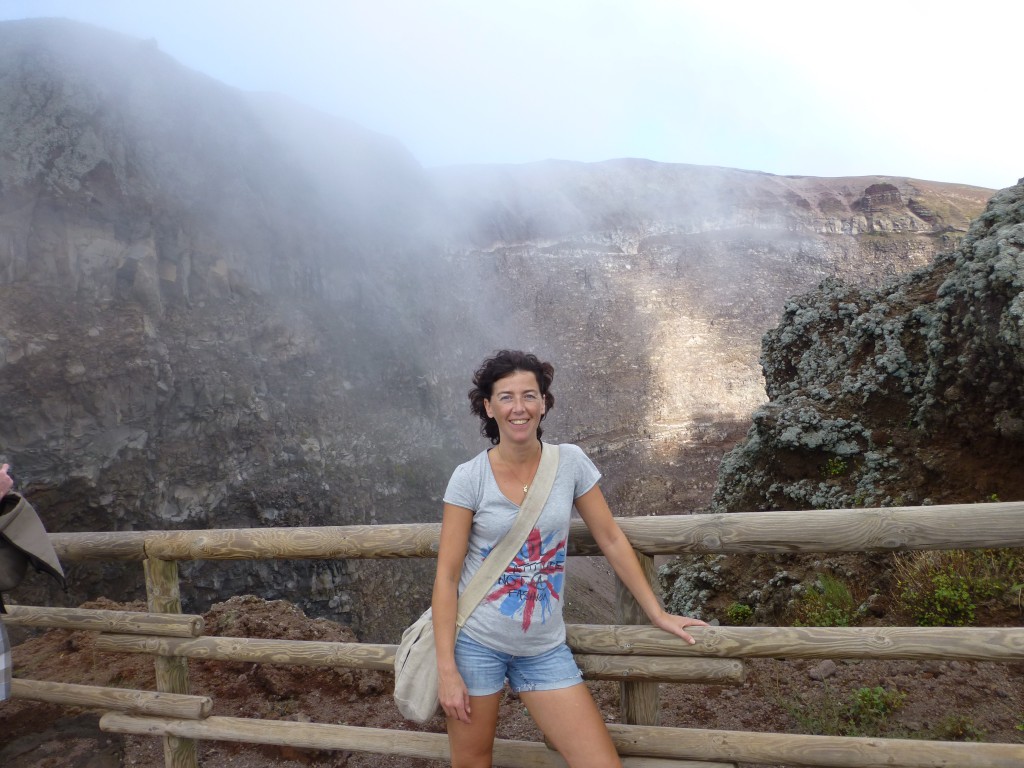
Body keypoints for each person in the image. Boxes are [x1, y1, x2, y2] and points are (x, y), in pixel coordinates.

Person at [432, 350, 707, 768]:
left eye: (530, 395)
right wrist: (447, 669)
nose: (519, 408)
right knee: (472, 762)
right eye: (506, 397)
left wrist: (657, 612)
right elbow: (447, 575)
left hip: (543, 649)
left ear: (544, 402)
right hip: (477, 644)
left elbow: (612, 539)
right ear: (488, 407)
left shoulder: (570, 462)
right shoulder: (469, 477)